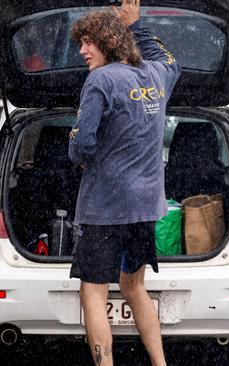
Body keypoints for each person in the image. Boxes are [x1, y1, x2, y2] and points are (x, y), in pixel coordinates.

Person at [67, 0, 181, 365]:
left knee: (93, 293)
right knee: (134, 286)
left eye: (89, 43)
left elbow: (83, 142)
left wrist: (76, 154)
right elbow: (170, 60)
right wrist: (137, 25)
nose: (83, 51)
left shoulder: (100, 80)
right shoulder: (155, 74)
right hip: (145, 206)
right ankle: (160, 364)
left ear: (109, 42)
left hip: (105, 208)